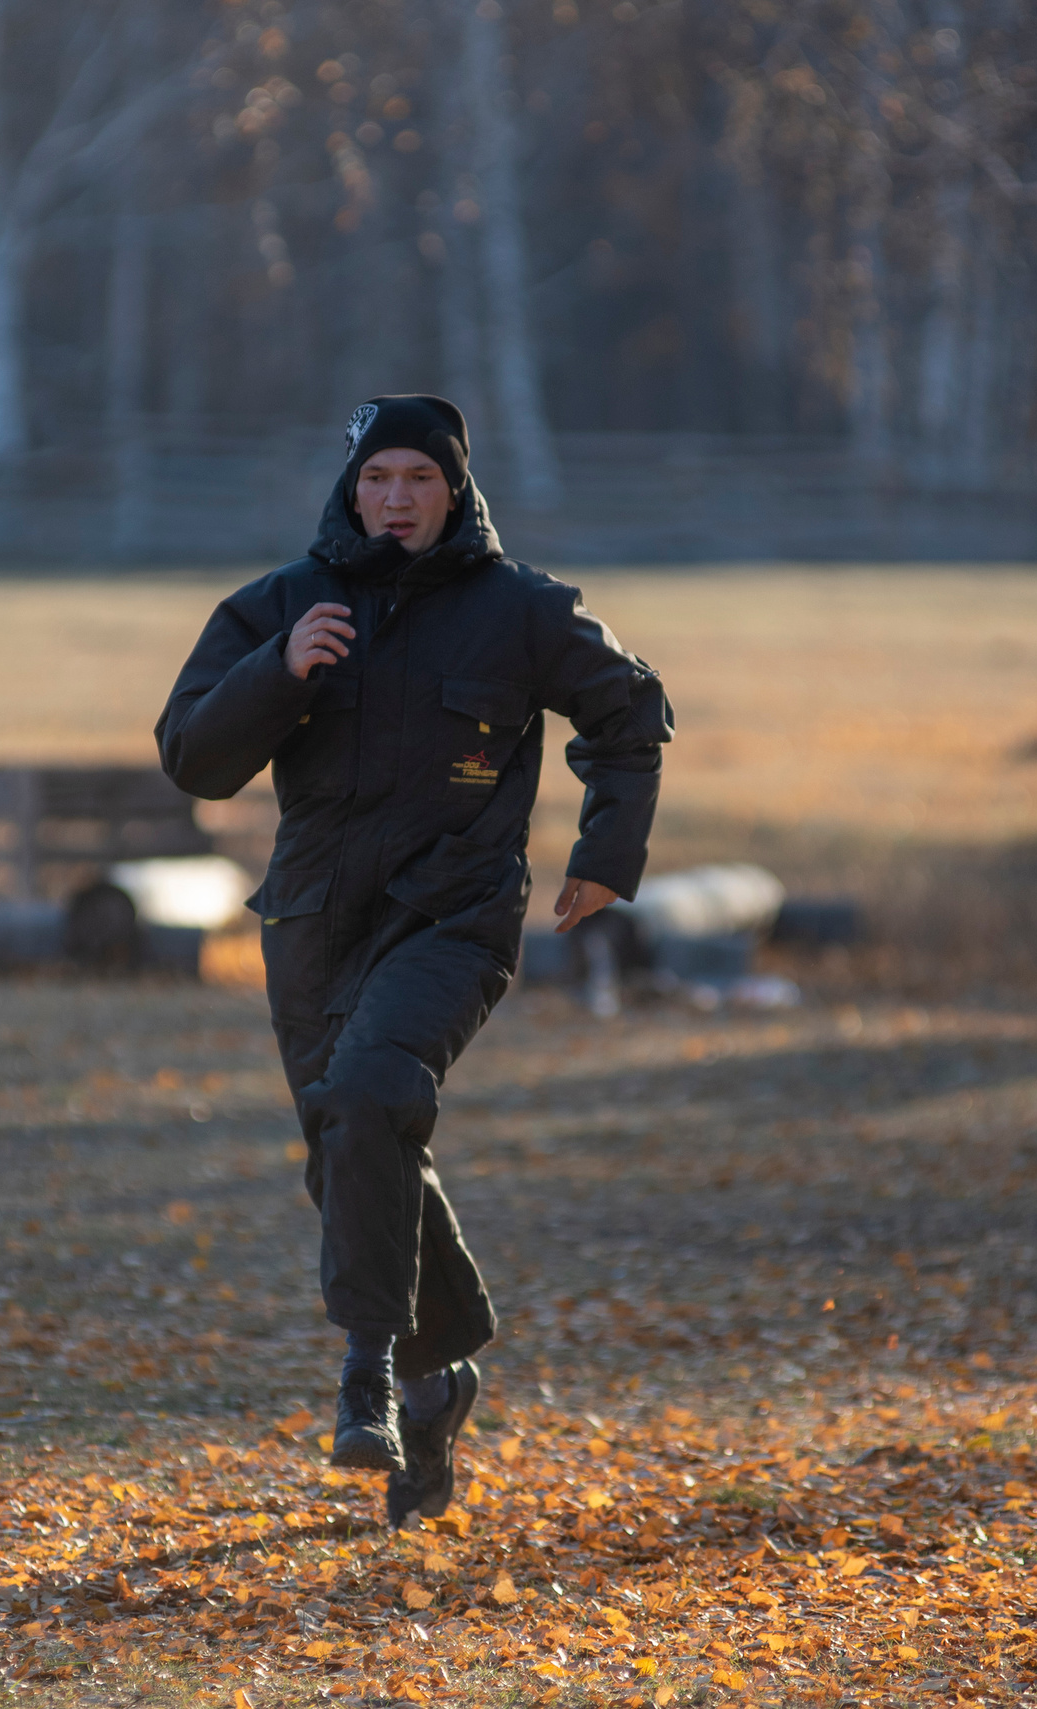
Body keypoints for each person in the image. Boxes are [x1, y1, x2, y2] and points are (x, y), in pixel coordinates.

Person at [154, 395, 671, 1528]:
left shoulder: (520, 610)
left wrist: (606, 856)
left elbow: (631, 714)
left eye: (419, 481)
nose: (396, 498)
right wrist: (278, 672)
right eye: (377, 478)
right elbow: (192, 758)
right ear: (352, 489)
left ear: (455, 492)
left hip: (456, 915)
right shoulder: (281, 605)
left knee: (373, 1092)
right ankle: (437, 1385)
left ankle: (367, 1378)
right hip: (311, 923)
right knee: (352, 1140)